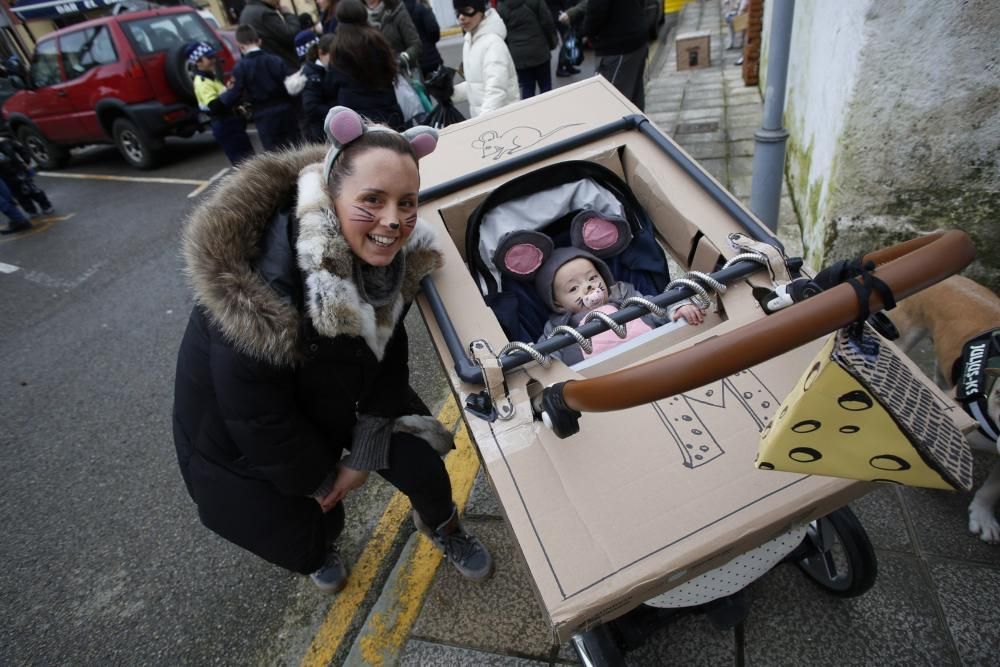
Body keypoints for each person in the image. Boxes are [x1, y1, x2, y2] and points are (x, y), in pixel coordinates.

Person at [172, 105, 494, 592]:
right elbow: (259, 419)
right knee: (301, 516)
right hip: (241, 428)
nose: (393, 221)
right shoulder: (256, 296)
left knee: (423, 467)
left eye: (407, 202)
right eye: (373, 200)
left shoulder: (389, 257)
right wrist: (324, 481)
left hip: (336, 382)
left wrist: (362, 454)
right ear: (330, 193)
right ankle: (319, 550)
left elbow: (388, 352)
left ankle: (443, 527)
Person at [536, 247, 706, 364]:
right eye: (574, 288)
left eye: (592, 278)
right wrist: (536, 358)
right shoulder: (557, 328)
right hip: (600, 378)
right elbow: (548, 358)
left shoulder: (624, 298)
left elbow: (656, 307)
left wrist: (677, 308)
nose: (588, 287)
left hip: (655, 354)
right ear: (558, 303)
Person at [326, 0, 407, 131]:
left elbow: (332, 83)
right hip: (386, 108)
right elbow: (390, 70)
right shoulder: (377, 40)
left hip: (356, 117)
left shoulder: (337, 49)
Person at [222, 24, 301, 152]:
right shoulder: (276, 60)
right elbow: (290, 84)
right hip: (286, 111)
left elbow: (234, 94)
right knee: (296, 149)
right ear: (259, 41)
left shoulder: (241, 68)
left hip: (263, 116)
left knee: (274, 156)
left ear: (239, 45)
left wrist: (220, 100)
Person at [560, 0, 647, 110]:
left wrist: (583, 32)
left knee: (611, 101)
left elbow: (596, 11)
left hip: (617, 47)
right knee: (633, 98)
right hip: (636, 39)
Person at [186, 41, 255, 166]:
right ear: (198, 62)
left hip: (231, 122)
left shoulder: (211, 78)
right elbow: (215, 106)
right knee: (244, 164)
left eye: (213, 56)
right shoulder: (202, 82)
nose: (213, 60)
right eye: (209, 58)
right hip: (225, 125)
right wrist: (231, 92)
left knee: (251, 160)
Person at [452, 1, 520, 118]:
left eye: (467, 10)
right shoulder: (470, 41)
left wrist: (482, 122)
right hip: (487, 120)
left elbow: (496, 90)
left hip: (504, 120)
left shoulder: (493, 43)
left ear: (481, 10)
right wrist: (451, 93)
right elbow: (476, 84)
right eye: (458, 12)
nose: (461, 17)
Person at [497, 0, 558, 99]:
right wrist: (552, 43)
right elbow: (547, 22)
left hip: (518, 54)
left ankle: (530, 108)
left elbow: (502, 33)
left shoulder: (501, 6)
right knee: (545, 86)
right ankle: (549, 107)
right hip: (540, 49)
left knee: (527, 87)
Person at [0, 135, 54, 218]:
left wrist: (26, 160)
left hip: (18, 170)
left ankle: (46, 205)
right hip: (5, 176)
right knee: (19, 195)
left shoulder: (4, 141)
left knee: (30, 189)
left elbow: (20, 149)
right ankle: (31, 210)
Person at [363, 0, 422, 73]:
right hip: (376, 76)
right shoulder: (359, 17)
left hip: (404, 74)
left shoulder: (397, 9)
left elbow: (415, 44)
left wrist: (401, 59)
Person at [239, 0, 301, 67]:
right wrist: (288, 14)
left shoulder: (245, 13)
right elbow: (291, 35)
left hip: (266, 66)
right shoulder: (265, 13)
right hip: (283, 65)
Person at [301, 34, 338, 142]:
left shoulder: (325, 70)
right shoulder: (313, 75)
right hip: (320, 132)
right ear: (321, 53)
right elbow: (311, 107)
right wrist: (336, 111)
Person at [401, 0, 444, 78]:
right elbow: (433, 30)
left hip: (409, 63)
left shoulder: (396, 12)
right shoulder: (421, 7)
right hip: (429, 58)